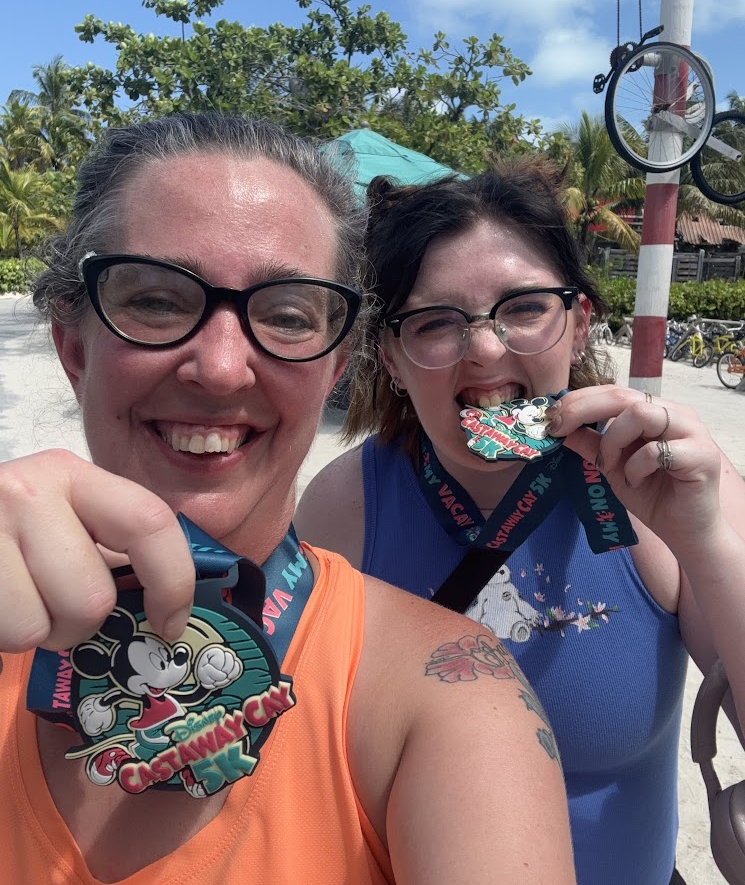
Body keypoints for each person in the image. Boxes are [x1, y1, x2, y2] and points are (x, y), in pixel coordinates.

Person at [0, 115, 575, 885]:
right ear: (74, 347)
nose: (222, 367)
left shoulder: (444, 696)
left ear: (336, 367)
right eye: (159, 302)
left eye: (286, 315)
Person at [295, 160, 745, 885]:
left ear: (577, 325)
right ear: (391, 359)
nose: (483, 348)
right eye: (435, 321)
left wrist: (703, 541)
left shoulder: (677, 482)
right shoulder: (343, 504)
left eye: (524, 307)